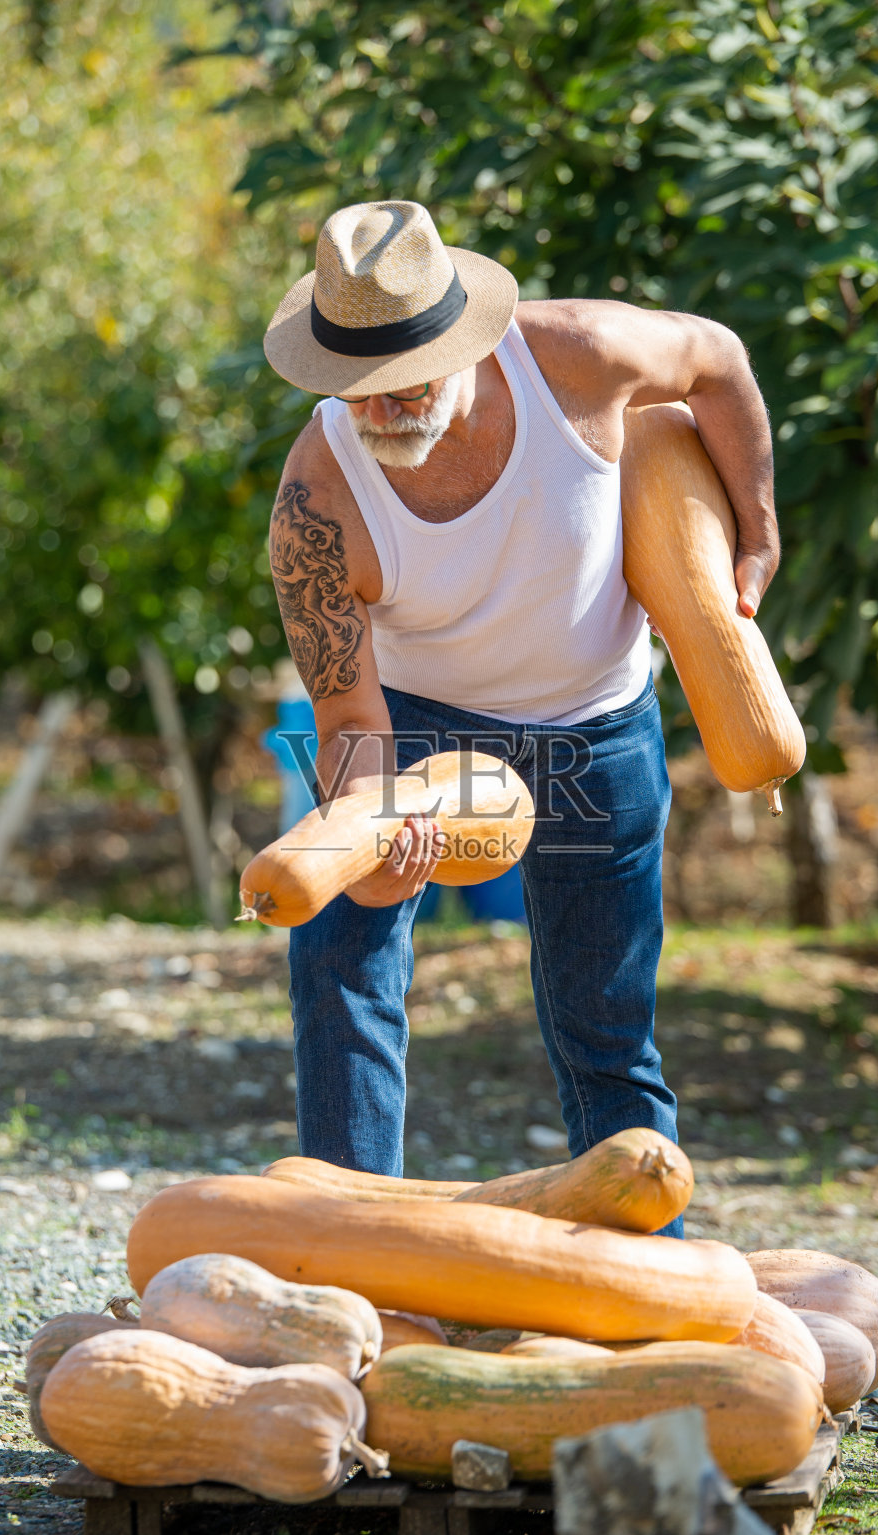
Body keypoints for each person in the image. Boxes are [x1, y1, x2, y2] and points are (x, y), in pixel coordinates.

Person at [261, 201, 779, 1235]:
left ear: (466, 337)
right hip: (421, 724)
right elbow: (349, 709)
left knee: (605, 1019)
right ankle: (356, 1247)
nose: (386, 402)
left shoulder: (580, 360)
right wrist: (374, 826)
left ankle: (640, 1260)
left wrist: (757, 537)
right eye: (360, 384)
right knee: (342, 955)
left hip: (597, 723)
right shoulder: (318, 504)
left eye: (410, 371)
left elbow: (718, 359)